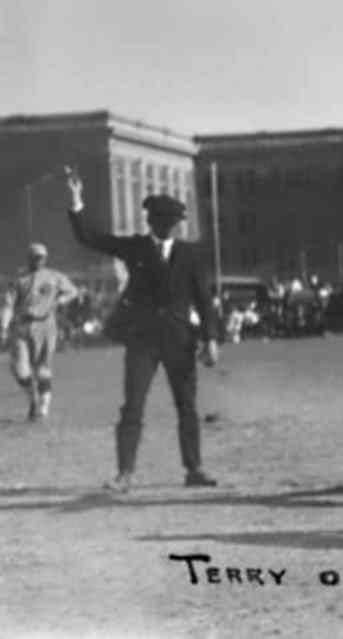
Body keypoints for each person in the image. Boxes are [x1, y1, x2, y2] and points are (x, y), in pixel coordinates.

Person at [66, 167, 220, 492]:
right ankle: (125, 473)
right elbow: (90, 238)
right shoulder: (135, 248)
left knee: (187, 406)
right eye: (164, 222)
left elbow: (204, 299)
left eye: (172, 223)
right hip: (142, 340)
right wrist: (77, 199)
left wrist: (211, 339)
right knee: (133, 406)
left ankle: (194, 469)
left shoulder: (190, 254)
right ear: (152, 222)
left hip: (180, 340)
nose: (169, 227)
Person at [5, 243, 79, 421]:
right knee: (19, 369)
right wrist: (3, 326)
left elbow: (72, 291)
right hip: (22, 326)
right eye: (35, 257)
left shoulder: (54, 276)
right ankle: (33, 398)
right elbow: (8, 305)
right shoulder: (19, 280)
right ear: (29, 258)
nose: (38, 260)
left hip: (46, 325)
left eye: (41, 257)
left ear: (45, 258)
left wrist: (61, 300)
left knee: (42, 369)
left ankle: (42, 408)